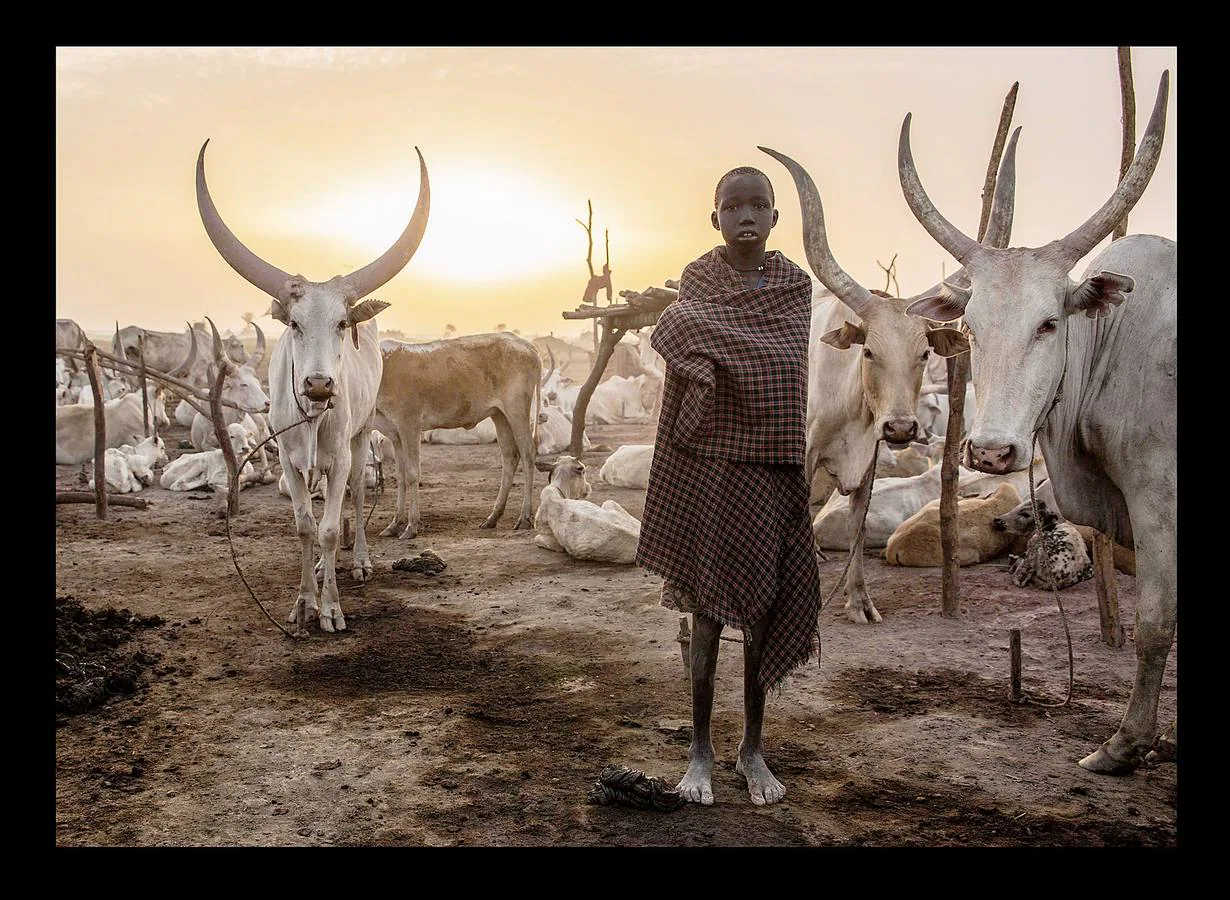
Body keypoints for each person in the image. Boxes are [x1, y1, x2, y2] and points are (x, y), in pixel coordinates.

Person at [636, 166, 821, 806]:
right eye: (733, 206)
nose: (746, 215)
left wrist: (722, 345)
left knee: (765, 614)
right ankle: (699, 751)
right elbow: (685, 340)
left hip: (769, 468)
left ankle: (753, 748)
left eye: (758, 205)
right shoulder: (699, 278)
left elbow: (781, 363)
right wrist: (727, 346)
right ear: (716, 218)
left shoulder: (795, 288)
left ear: (774, 218)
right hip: (711, 466)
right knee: (709, 614)